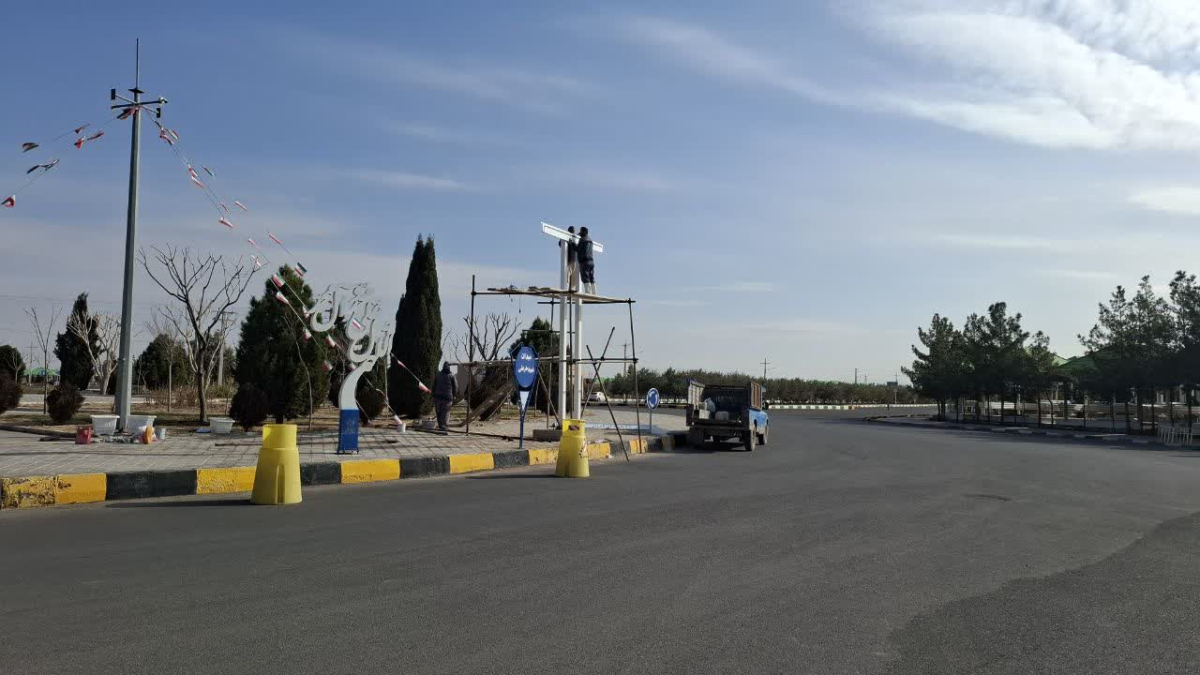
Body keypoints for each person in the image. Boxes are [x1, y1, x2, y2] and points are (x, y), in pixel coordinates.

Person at [432, 362, 458, 431]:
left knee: (439, 412)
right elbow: (455, 386)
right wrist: (454, 395)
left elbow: (434, 386)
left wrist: (433, 395)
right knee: (446, 412)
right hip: (448, 397)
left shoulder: (438, 375)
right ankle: (444, 426)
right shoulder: (452, 375)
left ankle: (440, 425)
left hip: (438, 397)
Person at [578, 226, 596, 294]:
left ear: (584, 232)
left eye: (581, 232)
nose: (580, 233)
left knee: (585, 277)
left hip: (584, 262)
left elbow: (578, 249)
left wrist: (572, 244)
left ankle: (588, 293)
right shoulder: (590, 241)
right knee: (592, 278)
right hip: (591, 262)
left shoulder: (582, 239)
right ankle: (594, 293)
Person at [566, 226, 579, 292]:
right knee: (568, 275)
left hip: (573, 260)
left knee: (572, 276)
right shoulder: (567, 238)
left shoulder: (575, 239)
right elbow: (560, 243)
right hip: (570, 260)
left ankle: (570, 289)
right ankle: (568, 288)